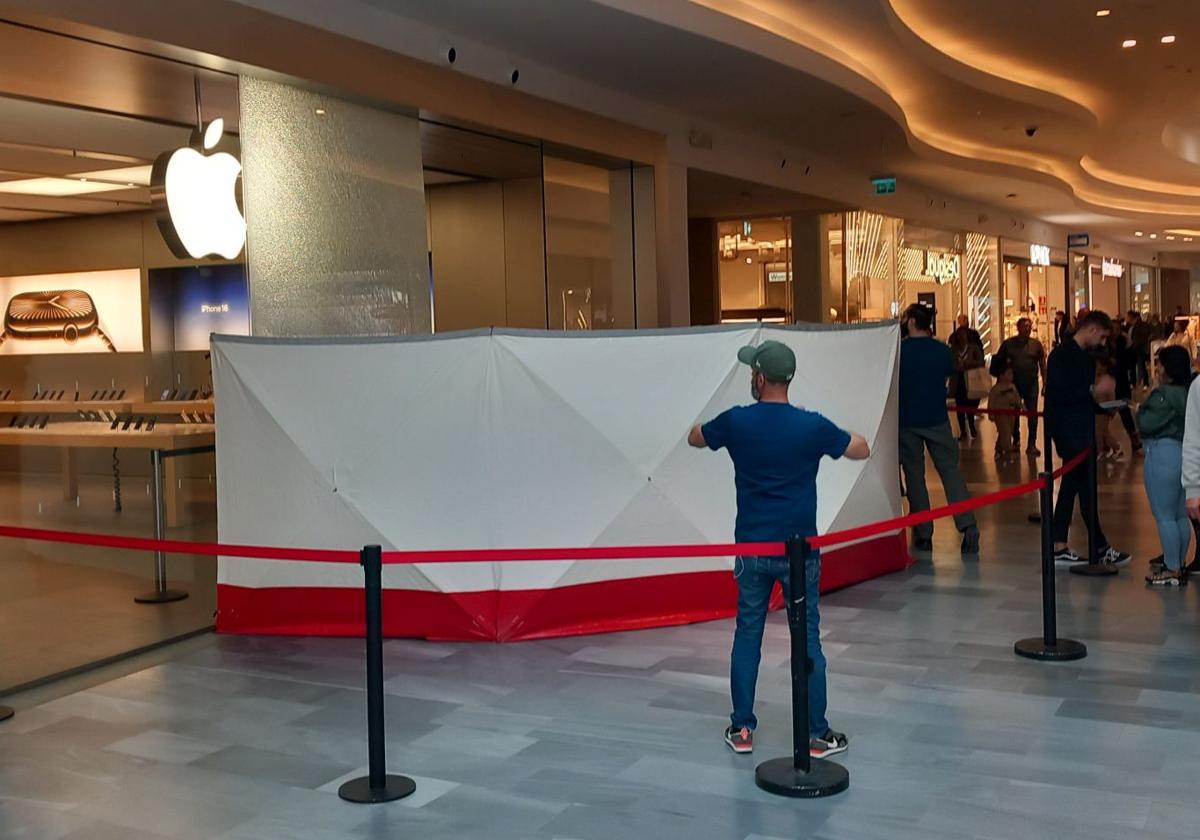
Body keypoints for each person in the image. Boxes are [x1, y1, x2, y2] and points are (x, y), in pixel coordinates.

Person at [689, 339, 870, 758]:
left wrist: (711, 431)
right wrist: (828, 430)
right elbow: (860, 447)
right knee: (807, 640)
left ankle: (742, 728)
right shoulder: (810, 426)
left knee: (748, 632)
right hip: (800, 552)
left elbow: (695, 438)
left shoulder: (737, 422)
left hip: (752, 548)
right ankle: (817, 732)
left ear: (759, 377)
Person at [1045, 309, 1132, 566]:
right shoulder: (1061, 355)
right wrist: (1093, 390)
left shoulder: (1084, 358)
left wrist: (1105, 405)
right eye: (1103, 337)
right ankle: (1076, 545)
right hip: (1068, 430)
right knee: (1076, 485)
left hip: (1082, 429)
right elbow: (1060, 394)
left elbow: (1083, 396)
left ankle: (1084, 544)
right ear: (1092, 330)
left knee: (1081, 488)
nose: (1103, 343)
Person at [898, 303, 981, 554]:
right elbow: (949, 374)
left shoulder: (899, 351)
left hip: (907, 421)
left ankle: (923, 533)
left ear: (911, 321)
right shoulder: (943, 351)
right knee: (950, 471)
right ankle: (967, 525)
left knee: (914, 475)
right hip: (937, 418)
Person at [1138, 346, 1193, 586]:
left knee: (1164, 515)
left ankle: (1171, 568)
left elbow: (1147, 424)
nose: (1157, 369)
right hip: (1185, 453)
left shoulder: (1163, 395)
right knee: (1181, 513)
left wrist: (1140, 409)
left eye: (1160, 364)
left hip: (1163, 453)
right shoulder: (1190, 391)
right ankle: (1178, 563)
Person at [996, 318, 1047, 456]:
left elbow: (1042, 363)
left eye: (1029, 326)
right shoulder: (1008, 344)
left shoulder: (1036, 345)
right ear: (1018, 328)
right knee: (1014, 415)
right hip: (1013, 385)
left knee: (1032, 415)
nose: (1028, 328)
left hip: (1031, 384)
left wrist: (1045, 384)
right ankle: (1015, 440)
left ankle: (1031, 443)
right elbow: (998, 362)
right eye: (1024, 326)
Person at [1106, 321, 1143, 455]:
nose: (1115, 331)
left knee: (1125, 411)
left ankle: (1134, 440)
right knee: (1106, 412)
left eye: (1117, 329)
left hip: (1121, 381)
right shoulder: (1105, 344)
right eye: (1113, 329)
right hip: (1109, 382)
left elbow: (1130, 361)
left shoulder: (1123, 343)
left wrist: (1129, 346)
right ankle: (1105, 443)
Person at [949, 314, 985, 441]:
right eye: (960, 335)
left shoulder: (973, 347)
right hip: (959, 380)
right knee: (960, 405)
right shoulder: (954, 349)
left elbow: (981, 361)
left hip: (971, 379)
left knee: (970, 403)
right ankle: (963, 430)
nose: (962, 337)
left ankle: (971, 425)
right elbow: (950, 363)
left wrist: (970, 364)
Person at [987, 360, 1022, 461]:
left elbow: (1017, 399)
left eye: (1012, 374)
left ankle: (998, 449)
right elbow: (991, 401)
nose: (1012, 376)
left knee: (1007, 432)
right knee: (1005, 432)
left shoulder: (1012, 387)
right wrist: (991, 413)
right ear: (1001, 376)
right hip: (1000, 414)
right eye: (1009, 374)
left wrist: (1023, 407)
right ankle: (1007, 452)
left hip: (1011, 413)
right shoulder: (996, 389)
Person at [1093, 356, 1122, 460]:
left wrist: (1112, 409)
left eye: (1098, 365)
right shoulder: (1099, 378)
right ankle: (1111, 448)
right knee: (1102, 431)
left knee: (1101, 432)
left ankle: (1106, 450)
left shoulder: (1108, 380)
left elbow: (1111, 396)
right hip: (1098, 409)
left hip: (1104, 410)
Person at [1127, 310, 1153, 388]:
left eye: (1128, 317)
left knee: (1141, 366)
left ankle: (1145, 383)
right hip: (1133, 349)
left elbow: (1144, 336)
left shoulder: (1141, 325)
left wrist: (1137, 343)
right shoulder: (1131, 326)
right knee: (1132, 366)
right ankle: (1133, 382)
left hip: (1139, 349)